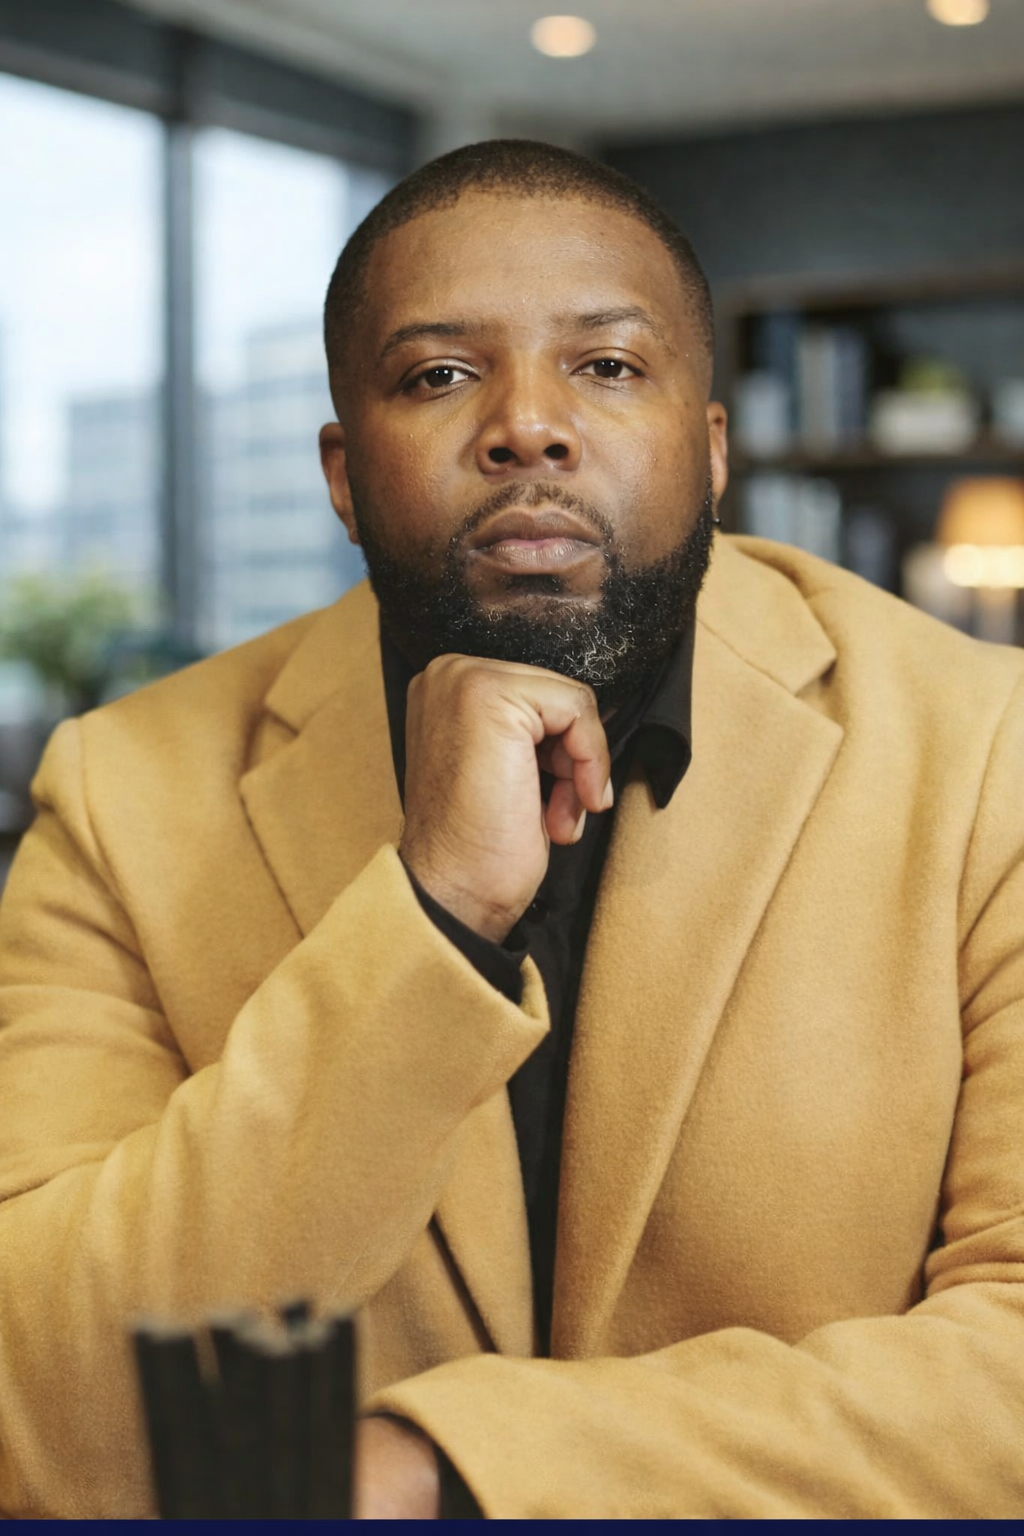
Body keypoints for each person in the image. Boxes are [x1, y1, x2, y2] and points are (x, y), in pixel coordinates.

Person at [1, 139, 1023, 1520]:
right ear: (344, 475)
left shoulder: (987, 753)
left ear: (711, 448)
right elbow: (44, 1405)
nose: (528, 427)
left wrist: (456, 1466)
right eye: (438, 374)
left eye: (605, 366)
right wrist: (427, 922)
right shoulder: (119, 798)